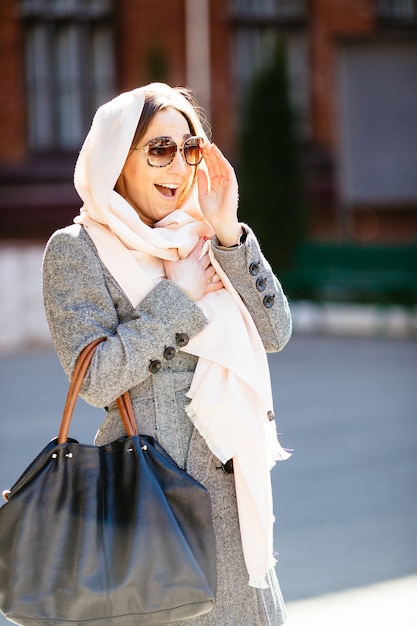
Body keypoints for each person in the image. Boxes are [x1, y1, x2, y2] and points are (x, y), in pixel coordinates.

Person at [42, 82, 292, 625]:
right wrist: (175, 299)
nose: (177, 165)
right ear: (118, 160)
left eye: (190, 148)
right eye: (160, 149)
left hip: (234, 513)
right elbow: (96, 379)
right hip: (153, 510)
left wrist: (228, 230)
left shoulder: (205, 237)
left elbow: (275, 332)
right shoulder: (77, 249)